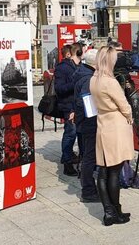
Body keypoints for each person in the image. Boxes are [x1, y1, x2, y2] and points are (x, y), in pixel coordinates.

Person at [90, 47, 134, 226]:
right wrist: (130, 116)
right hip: (115, 124)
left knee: (103, 171)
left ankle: (110, 211)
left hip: (102, 123)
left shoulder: (94, 79)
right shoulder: (110, 82)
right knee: (114, 170)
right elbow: (124, 105)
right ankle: (114, 211)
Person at [73, 49, 100, 203]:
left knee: (87, 156)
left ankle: (88, 188)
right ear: (95, 63)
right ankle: (88, 191)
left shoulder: (81, 72)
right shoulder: (88, 78)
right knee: (89, 157)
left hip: (83, 121)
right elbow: (84, 101)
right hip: (89, 122)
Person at [54, 43, 82, 176]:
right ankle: (67, 163)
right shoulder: (62, 68)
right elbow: (59, 88)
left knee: (77, 134)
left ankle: (72, 156)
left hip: (78, 106)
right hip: (68, 106)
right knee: (70, 133)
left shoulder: (77, 66)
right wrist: (76, 83)